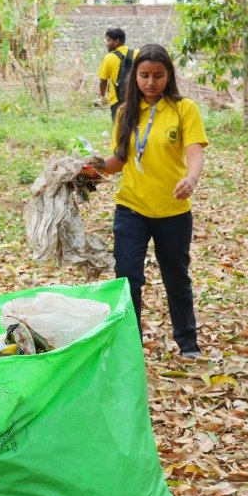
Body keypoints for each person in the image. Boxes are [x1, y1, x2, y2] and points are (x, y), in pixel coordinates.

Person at [84, 43, 207, 359]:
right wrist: (89, 169)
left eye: (158, 75)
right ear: (134, 77)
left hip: (173, 210)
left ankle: (188, 344)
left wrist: (191, 178)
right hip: (131, 209)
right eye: (144, 75)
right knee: (127, 278)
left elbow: (195, 151)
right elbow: (120, 159)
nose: (151, 82)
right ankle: (130, 348)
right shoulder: (125, 111)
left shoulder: (184, 108)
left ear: (169, 76)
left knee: (176, 278)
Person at [95, 27, 135, 123]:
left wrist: (103, 95)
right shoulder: (137, 53)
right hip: (135, 99)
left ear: (117, 41)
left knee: (118, 128)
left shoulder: (108, 58)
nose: (106, 44)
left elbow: (103, 81)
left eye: (108, 40)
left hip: (117, 101)